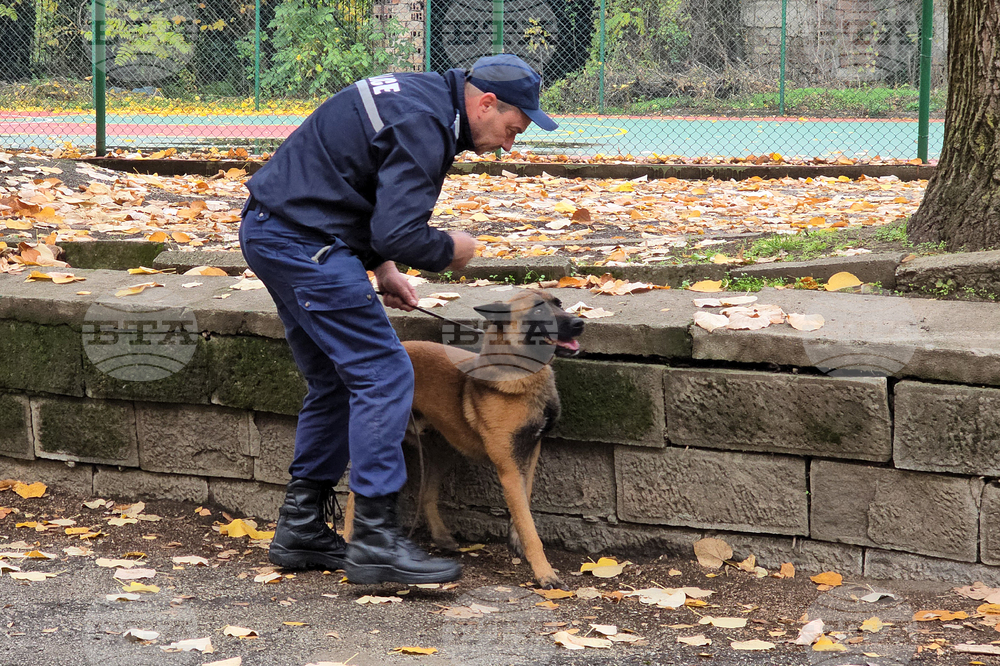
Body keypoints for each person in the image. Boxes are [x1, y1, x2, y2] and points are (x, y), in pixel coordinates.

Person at [238, 53, 559, 585]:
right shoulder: (426, 125)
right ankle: (375, 541)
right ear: (486, 103)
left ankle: (301, 528)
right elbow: (400, 231)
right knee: (386, 374)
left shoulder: (421, 100)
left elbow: (358, 183)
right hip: (304, 243)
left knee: (334, 381)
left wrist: (382, 267)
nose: (509, 145)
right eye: (512, 129)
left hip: (281, 230)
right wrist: (451, 249)